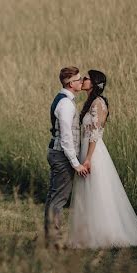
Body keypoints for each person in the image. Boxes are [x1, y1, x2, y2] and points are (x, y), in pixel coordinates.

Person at [68, 70, 137, 249]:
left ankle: (106, 232)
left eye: (86, 78)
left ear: (95, 82)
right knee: (87, 191)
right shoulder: (89, 102)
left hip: (94, 152)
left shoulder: (99, 103)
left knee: (97, 189)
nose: (83, 80)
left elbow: (96, 133)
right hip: (85, 150)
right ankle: (88, 232)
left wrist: (89, 158)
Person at [44, 66, 90, 248]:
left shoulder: (64, 99)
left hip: (58, 154)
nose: (82, 82)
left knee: (53, 197)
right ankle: (53, 241)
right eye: (79, 80)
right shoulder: (65, 104)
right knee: (58, 199)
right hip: (61, 156)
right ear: (71, 84)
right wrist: (75, 163)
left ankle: (48, 237)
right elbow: (66, 137)